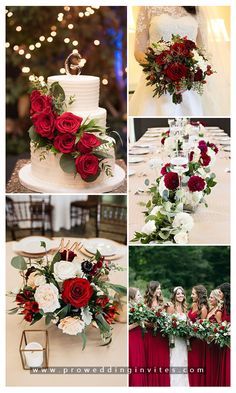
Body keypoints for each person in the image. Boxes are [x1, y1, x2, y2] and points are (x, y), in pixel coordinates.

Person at [129, 6, 229, 116]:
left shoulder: (197, 9)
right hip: (156, 82)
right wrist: (160, 70)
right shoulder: (147, 7)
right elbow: (138, 51)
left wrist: (190, 75)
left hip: (190, 84)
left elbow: (203, 51)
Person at [144, 281, 170, 386]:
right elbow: (143, 320)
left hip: (161, 336)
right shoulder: (146, 304)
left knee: (162, 361)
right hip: (150, 336)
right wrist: (151, 325)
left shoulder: (162, 304)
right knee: (152, 361)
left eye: (160, 288)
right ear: (152, 289)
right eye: (158, 288)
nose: (159, 290)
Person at [167, 286, 189, 386]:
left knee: (184, 360)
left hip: (183, 340)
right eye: (178, 294)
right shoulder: (171, 307)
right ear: (174, 295)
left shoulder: (185, 307)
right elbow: (167, 324)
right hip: (174, 339)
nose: (181, 295)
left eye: (182, 293)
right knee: (175, 360)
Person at [187, 285, 208, 386]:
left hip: (198, 341)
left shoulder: (203, 309)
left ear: (199, 295)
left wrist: (189, 335)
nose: (191, 296)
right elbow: (188, 319)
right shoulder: (193, 305)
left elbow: (201, 328)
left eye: (193, 294)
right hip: (189, 339)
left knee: (196, 364)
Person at [129, 287, 147, 386]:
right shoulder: (129, 308)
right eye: (138, 295)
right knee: (134, 362)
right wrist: (138, 323)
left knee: (139, 362)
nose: (140, 297)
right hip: (132, 338)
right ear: (132, 297)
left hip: (138, 337)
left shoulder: (138, 307)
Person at [205, 289, 223, 386]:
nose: (209, 299)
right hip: (209, 341)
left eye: (211, 297)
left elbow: (220, 327)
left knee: (214, 365)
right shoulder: (211, 309)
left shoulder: (218, 311)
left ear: (216, 299)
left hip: (215, 342)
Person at [217, 283, 230, 386]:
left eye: (220, 292)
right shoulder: (223, 306)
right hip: (226, 340)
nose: (219, 294)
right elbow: (220, 322)